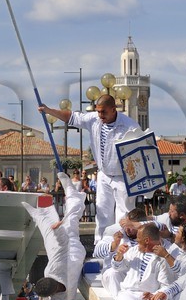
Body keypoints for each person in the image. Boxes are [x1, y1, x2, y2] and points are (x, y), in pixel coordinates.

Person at [37, 93, 144, 237]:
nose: (100, 115)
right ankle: (101, 243)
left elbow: (142, 152)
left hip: (123, 177)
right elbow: (70, 117)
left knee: (124, 213)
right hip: (104, 174)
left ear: (113, 109)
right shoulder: (93, 119)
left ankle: (123, 243)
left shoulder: (130, 126)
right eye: (98, 111)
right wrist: (49, 110)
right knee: (102, 212)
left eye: (103, 112)